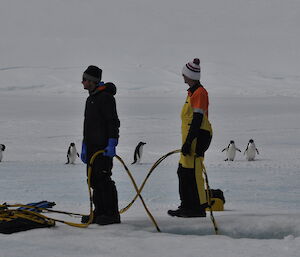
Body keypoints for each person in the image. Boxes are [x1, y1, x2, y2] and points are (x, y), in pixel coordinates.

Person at [168, 58, 213, 218]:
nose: (182, 77)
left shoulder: (200, 93)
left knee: (193, 173)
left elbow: (197, 119)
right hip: (189, 139)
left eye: (184, 74)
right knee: (183, 172)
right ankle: (186, 205)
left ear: (190, 76)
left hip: (197, 138)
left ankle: (197, 208)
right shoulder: (191, 92)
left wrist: (189, 142)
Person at [80, 65, 121, 225]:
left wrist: (112, 143)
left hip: (102, 148)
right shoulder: (91, 98)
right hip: (91, 147)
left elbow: (113, 122)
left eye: (84, 79)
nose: (82, 82)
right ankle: (99, 212)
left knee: (104, 179)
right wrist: (84, 146)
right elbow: (88, 125)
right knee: (93, 180)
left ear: (92, 81)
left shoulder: (106, 98)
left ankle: (111, 214)